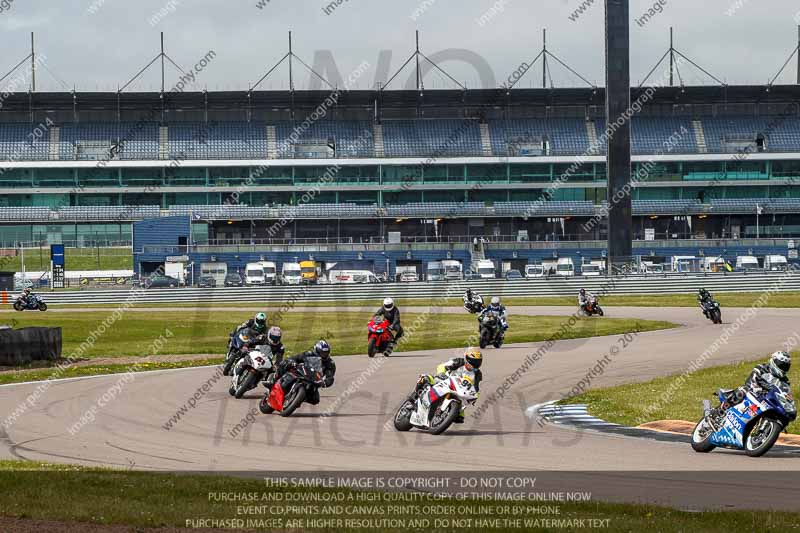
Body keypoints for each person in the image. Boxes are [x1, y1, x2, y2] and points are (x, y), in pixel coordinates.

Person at [413, 347, 483, 423]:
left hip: (458, 391)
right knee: (425, 378)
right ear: (467, 359)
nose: (475, 364)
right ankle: (413, 399)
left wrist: (474, 397)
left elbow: (477, 389)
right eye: (473, 362)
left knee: (460, 417)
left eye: (478, 362)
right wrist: (442, 374)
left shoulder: (478, 374)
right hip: (443, 381)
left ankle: (443, 417)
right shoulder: (458, 362)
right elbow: (441, 366)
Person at [715, 351, 791, 414]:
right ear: (774, 361)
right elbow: (753, 379)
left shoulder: (785, 380)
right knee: (741, 392)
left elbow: (785, 393)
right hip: (751, 391)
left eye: (786, 366)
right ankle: (721, 410)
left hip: (766, 399)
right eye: (781, 365)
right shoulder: (761, 368)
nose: (783, 368)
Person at [271, 340, 336, 404]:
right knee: (284, 363)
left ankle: (297, 400)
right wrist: (292, 361)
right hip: (301, 372)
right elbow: (296, 358)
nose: (324, 355)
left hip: (313, 381)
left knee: (315, 399)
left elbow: (330, 377)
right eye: (322, 353)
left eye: (326, 353)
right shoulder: (309, 354)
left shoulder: (330, 364)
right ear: (317, 350)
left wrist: (325, 382)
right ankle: (273, 380)